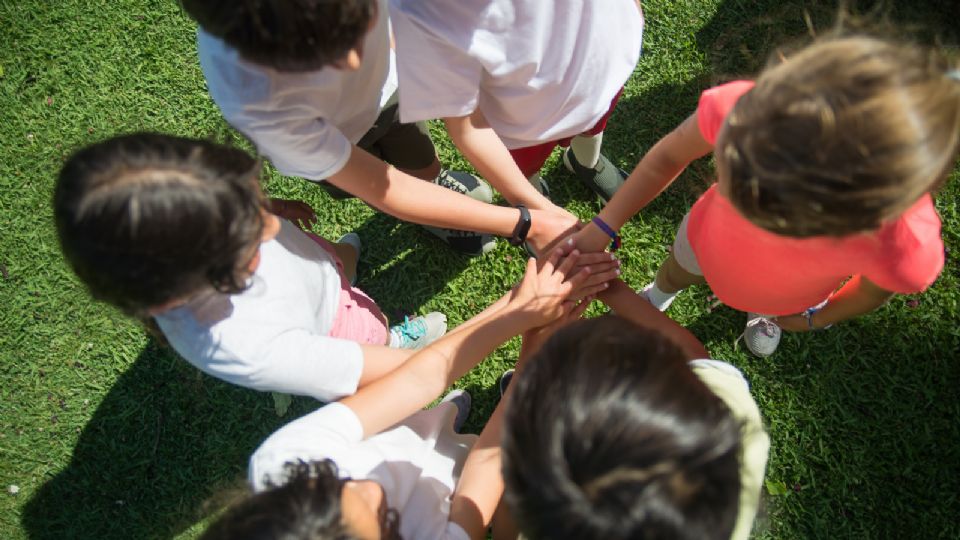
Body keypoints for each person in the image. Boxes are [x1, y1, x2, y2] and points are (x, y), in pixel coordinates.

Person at [573, 35, 959, 356]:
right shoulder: (749, 112)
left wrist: (815, 318)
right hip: (703, 241)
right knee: (677, 270)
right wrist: (604, 224)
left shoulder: (906, 245)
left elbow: (873, 291)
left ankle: (763, 314)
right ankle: (660, 294)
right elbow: (669, 155)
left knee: (768, 300)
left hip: (789, 294)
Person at [199, 246, 620, 540]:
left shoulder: (284, 465)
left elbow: (418, 380)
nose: (372, 489)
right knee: (463, 454)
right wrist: (535, 358)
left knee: (433, 420)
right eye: (384, 519)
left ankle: (449, 416)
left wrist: (519, 307)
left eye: (335, 483)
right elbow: (484, 469)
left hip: (403, 430)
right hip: (454, 482)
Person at [54, 133, 450, 402]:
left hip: (312, 270)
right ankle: (395, 341)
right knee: (372, 331)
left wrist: (268, 206)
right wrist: (437, 363)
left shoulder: (200, 224)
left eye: (249, 202)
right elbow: (363, 372)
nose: (274, 227)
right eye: (248, 234)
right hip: (335, 328)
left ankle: (345, 270)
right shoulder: (240, 344)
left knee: (330, 264)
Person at [179, 0, 578, 256]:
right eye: (318, 59)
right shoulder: (257, 104)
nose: (353, 62)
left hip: (389, 96)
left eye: (357, 22)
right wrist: (525, 223)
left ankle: (436, 191)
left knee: (422, 163)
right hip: (335, 139)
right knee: (384, 186)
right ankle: (433, 218)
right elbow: (384, 189)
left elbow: (464, 118)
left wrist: (533, 210)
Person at [502, 279, 770, 540]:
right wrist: (608, 286)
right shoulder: (733, 428)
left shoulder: (545, 512)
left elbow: (507, 511)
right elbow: (697, 358)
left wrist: (528, 361)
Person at [389, 0, 644, 203]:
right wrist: (534, 207)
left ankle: (586, 163)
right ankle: (536, 197)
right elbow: (465, 126)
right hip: (525, 124)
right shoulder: (421, 11)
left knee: (593, 128)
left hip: (603, 75)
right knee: (525, 169)